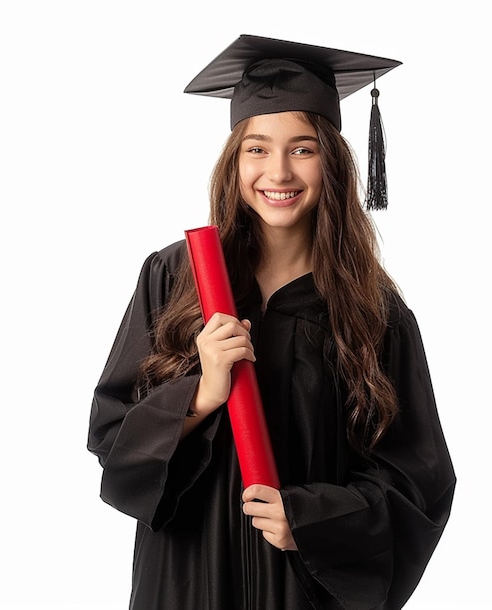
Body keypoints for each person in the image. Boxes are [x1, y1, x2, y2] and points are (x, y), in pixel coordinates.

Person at [87, 34, 456, 610]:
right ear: (233, 162)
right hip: (185, 581)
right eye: (256, 148)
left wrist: (314, 519)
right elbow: (112, 440)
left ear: (331, 160)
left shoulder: (372, 310)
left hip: (299, 586)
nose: (277, 171)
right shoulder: (175, 279)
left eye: (302, 149)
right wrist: (200, 396)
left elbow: (420, 484)